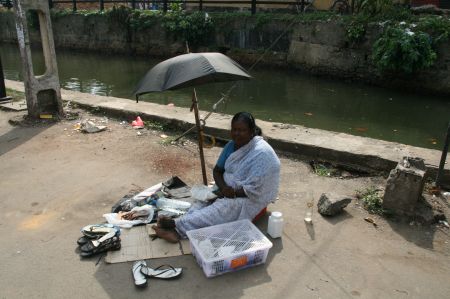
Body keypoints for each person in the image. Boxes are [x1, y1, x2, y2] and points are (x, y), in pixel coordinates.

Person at [153, 112, 281, 243]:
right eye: (234, 130)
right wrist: (224, 188)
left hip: (249, 197)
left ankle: (176, 226)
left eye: (242, 130)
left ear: (252, 131)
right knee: (203, 201)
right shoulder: (230, 146)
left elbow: (259, 188)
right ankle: (181, 225)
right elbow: (218, 171)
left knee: (223, 208)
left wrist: (234, 193)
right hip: (226, 188)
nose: (237, 134)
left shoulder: (261, 152)